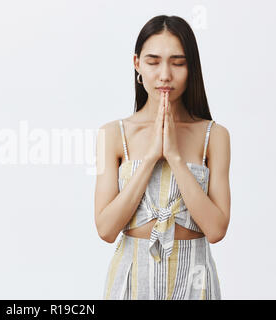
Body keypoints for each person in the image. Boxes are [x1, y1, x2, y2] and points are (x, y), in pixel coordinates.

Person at [94, 15, 231, 300]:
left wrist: (175, 157)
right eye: (153, 62)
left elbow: (216, 229)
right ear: (137, 65)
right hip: (133, 278)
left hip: (195, 279)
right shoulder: (112, 134)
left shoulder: (214, 135)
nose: (165, 74)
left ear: (191, 67)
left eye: (178, 63)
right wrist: (152, 156)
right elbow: (106, 229)